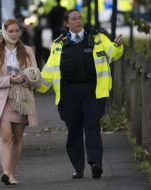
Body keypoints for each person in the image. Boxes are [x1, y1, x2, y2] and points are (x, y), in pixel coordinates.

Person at [37, 9, 123, 179]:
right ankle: (78, 168)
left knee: (92, 126)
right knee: (74, 131)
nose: (78, 21)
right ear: (67, 23)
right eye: (74, 19)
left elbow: (112, 53)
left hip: (93, 91)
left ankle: (96, 163)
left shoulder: (97, 38)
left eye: (79, 18)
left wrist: (118, 45)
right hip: (69, 94)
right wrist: (36, 84)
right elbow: (49, 70)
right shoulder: (58, 43)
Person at [0, 19, 40, 185]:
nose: (15, 34)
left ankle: (11, 172)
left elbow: (36, 78)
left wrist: (25, 78)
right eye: (11, 31)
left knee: (17, 138)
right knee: (5, 137)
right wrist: (9, 80)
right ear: (4, 32)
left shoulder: (28, 51)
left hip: (22, 100)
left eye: (17, 31)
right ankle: (7, 174)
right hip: (3, 100)